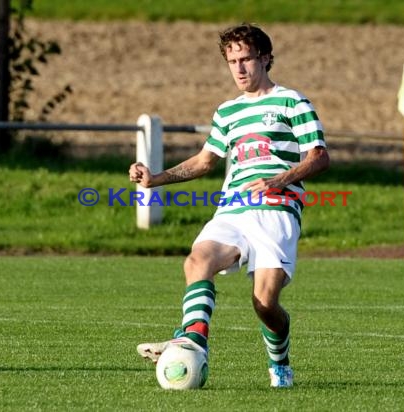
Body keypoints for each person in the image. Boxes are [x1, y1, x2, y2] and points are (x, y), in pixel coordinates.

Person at [129, 23, 329, 388]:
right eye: (232, 61)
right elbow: (205, 161)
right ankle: (193, 338)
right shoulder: (227, 112)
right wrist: (155, 179)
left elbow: (319, 157)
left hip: (277, 209)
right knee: (197, 260)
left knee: (265, 304)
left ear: (266, 59)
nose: (239, 68)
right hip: (233, 207)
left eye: (247, 59)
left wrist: (280, 178)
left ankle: (280, 361)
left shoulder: (291, 101)